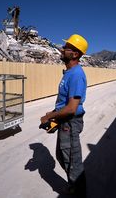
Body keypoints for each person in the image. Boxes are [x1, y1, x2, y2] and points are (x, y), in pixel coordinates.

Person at [40, 34, 88, 196]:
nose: (62, 49)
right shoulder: (69, 73)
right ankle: (74, 186)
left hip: (71, 122)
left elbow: (71, 108)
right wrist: (55, 118)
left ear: (75, 54)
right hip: (64, 122)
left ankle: (78, 192)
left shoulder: (76, 75)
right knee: (62, 156)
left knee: (73, 162)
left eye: (66, 48)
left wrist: (50, 115)